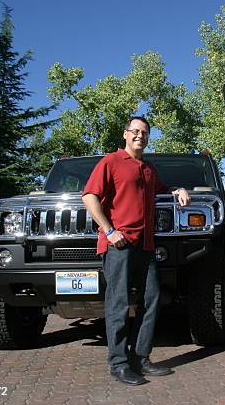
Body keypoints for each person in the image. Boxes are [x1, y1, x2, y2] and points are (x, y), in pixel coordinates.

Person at [82, 116, 190, 385]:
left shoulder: (149, 168)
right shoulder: (111, 161)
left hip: (145, 245)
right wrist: (109, 230)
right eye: (136, 131)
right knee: (118, 303)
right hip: (119, 244)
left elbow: (163, 190)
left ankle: (140, 358)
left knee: (151, 299)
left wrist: (179, 189)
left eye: (145, 132)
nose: (140, 136)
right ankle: (118, 363)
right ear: (126, 134)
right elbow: (89, 196)